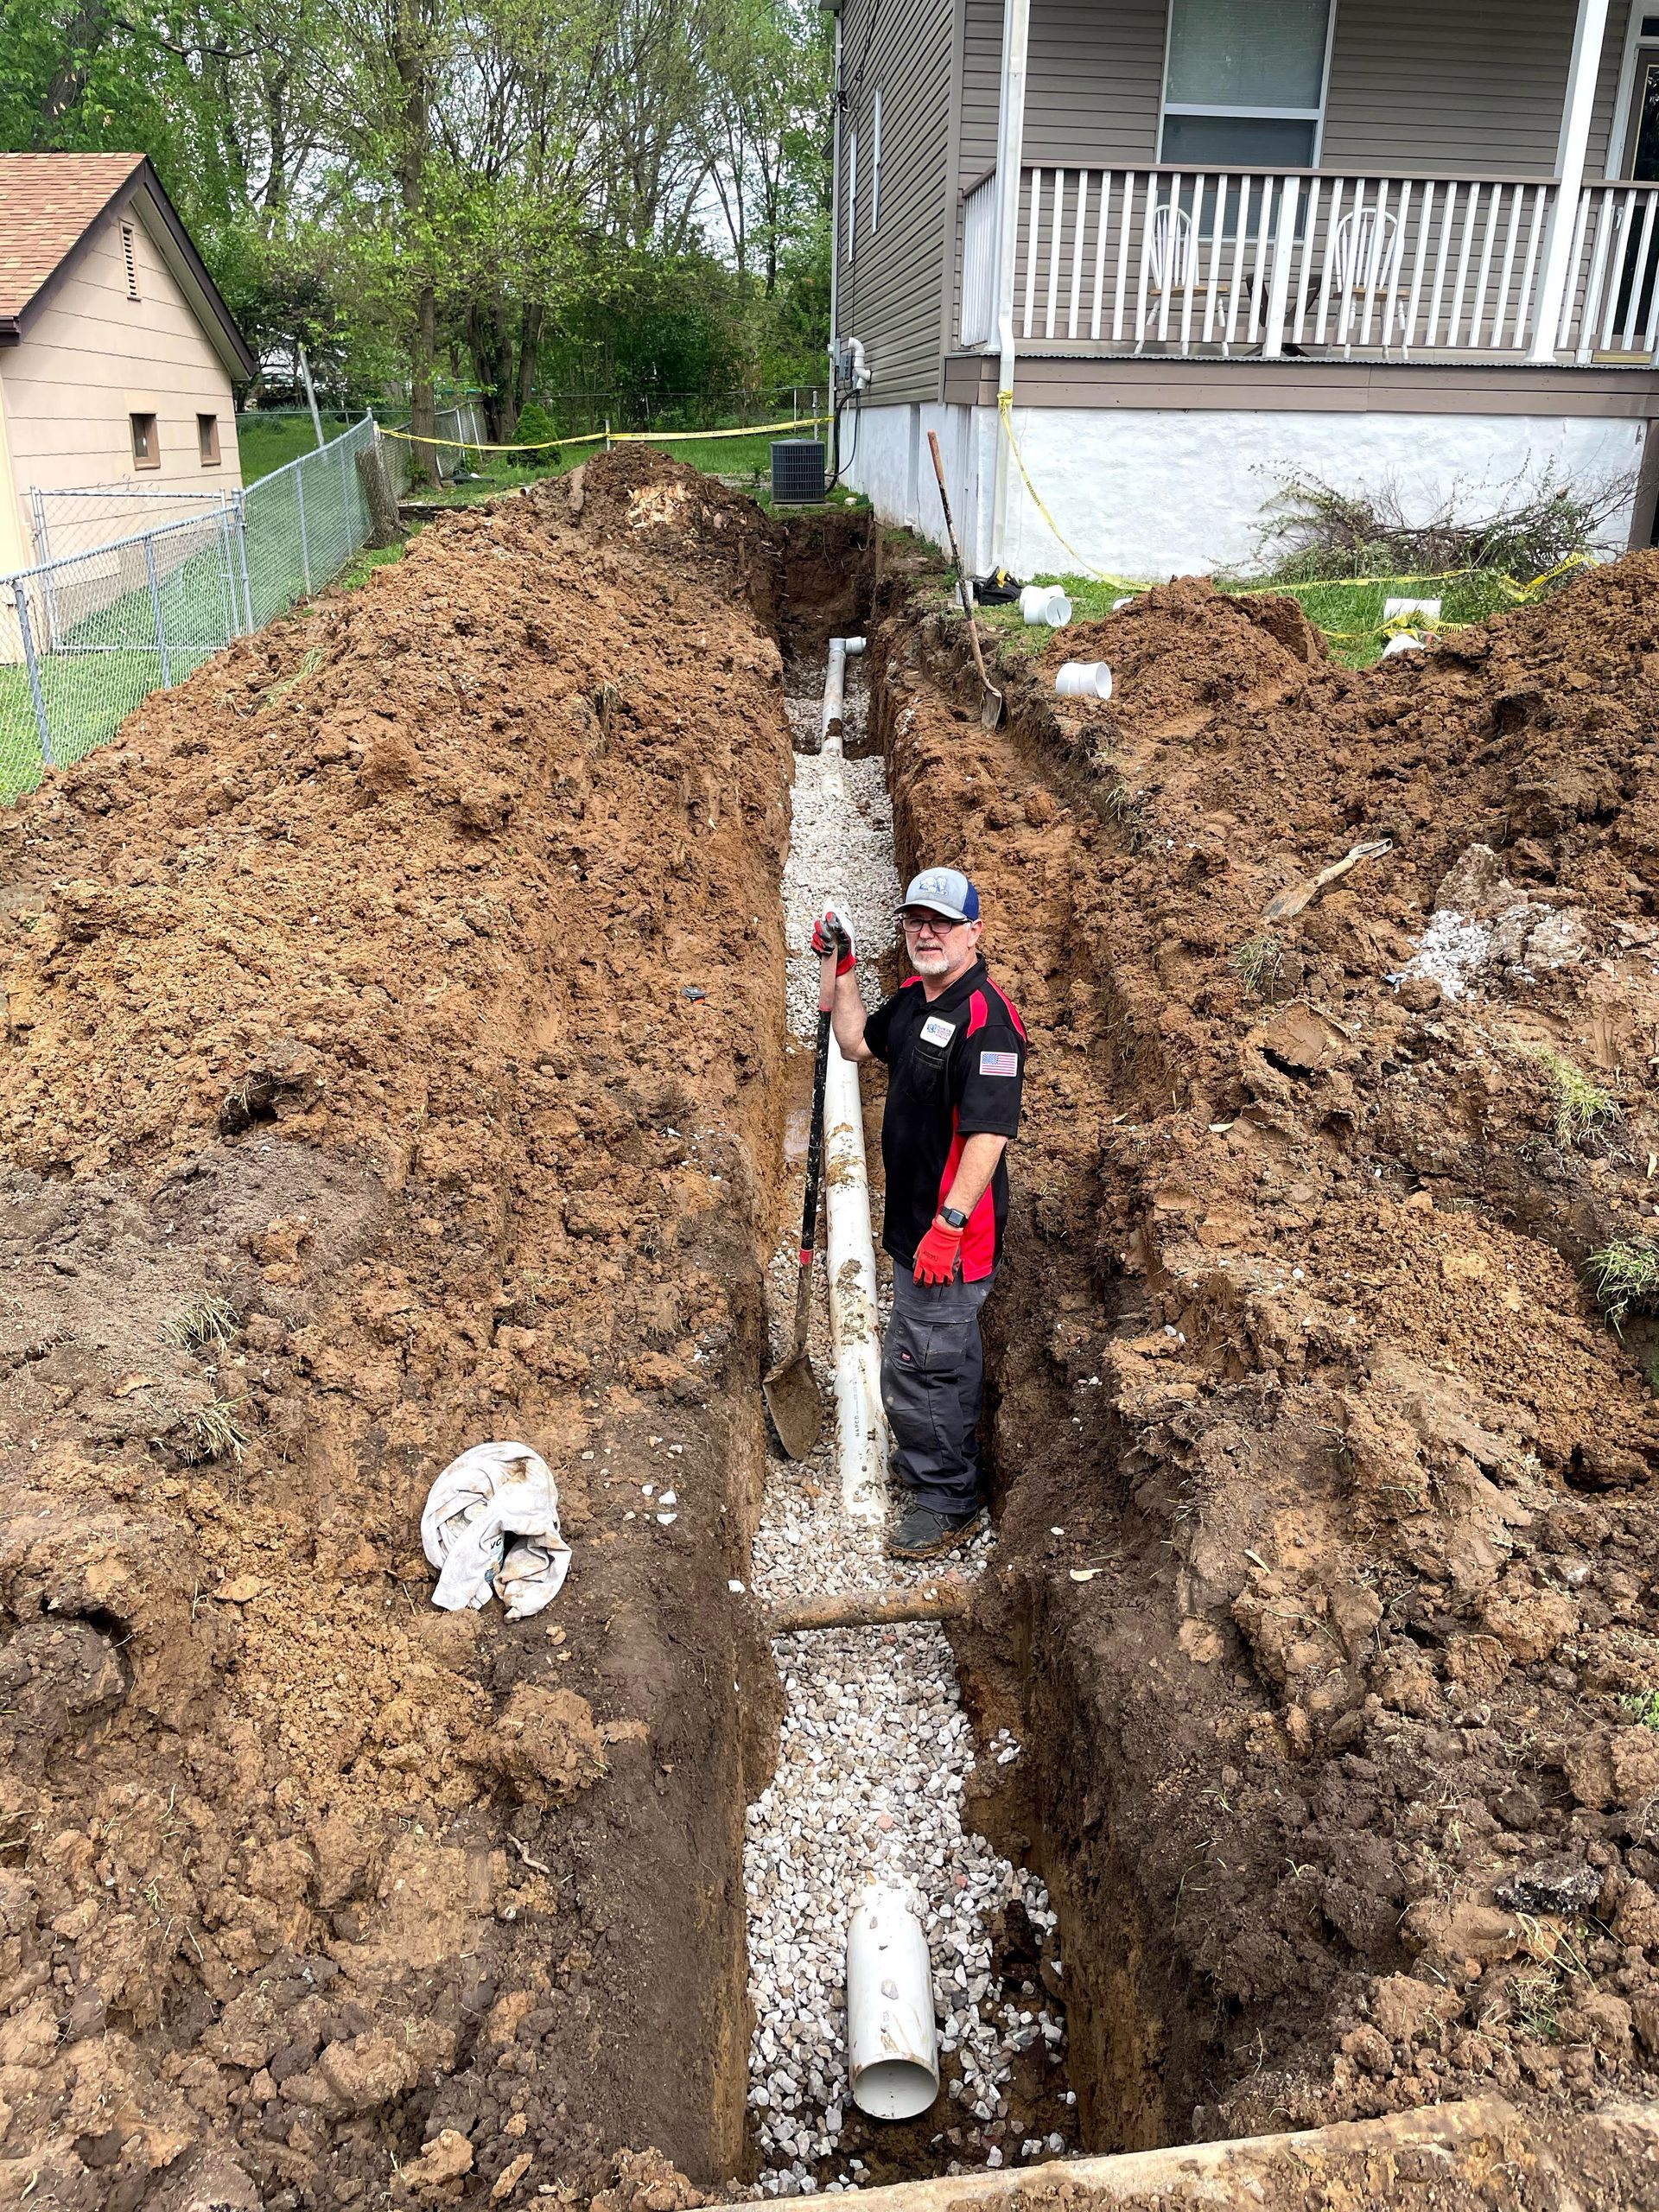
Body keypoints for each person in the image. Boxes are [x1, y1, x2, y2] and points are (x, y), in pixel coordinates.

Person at [812, 868, 1027, 1559]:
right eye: (915, 922)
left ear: (974, 931)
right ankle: (940, 1472)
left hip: (950, 1237)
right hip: (914, 1223)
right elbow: (852, 1044)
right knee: (925, 1349)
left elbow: (989, 1134)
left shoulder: (989, 1024)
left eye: (941, 922)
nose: (925, 933)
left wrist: (950, 1225)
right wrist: (839, 967)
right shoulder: (915, 1001)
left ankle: (948, 1499)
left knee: (926, 1363)